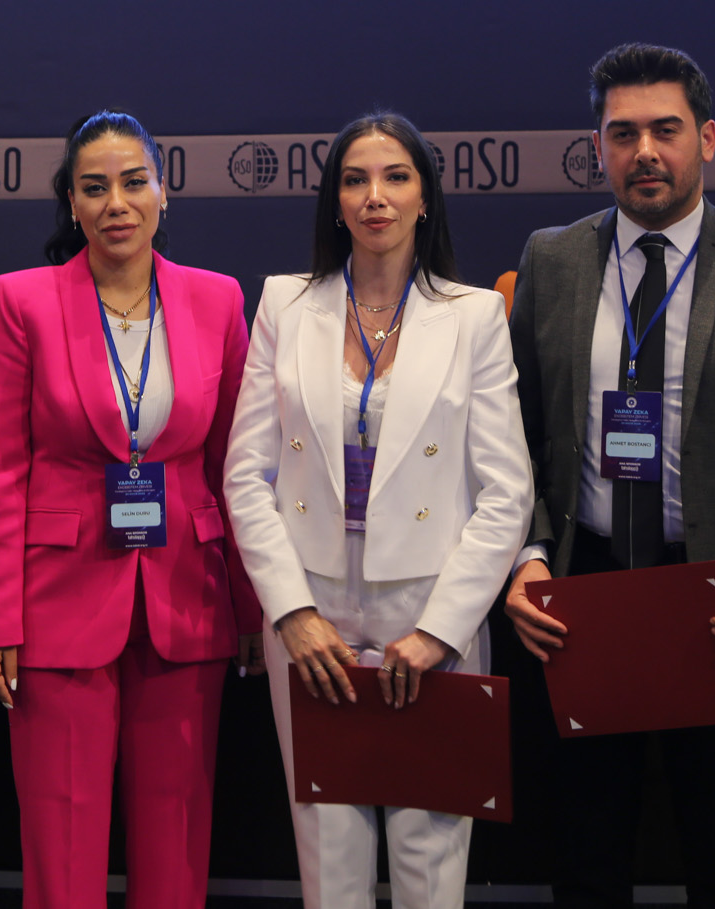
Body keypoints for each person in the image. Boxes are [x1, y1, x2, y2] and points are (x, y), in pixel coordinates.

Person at [500, 43, 715, 909]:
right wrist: (527, 554)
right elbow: (514, 438)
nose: (644, 150)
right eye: (623, 133)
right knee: (585, 855)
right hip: (582, 592)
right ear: (598, 147)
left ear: (707, 138)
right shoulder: (550, 259)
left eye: (666, 129)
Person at [223, 112, 533, 909]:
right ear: (334, 200)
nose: (375, 196)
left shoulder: (475, 315)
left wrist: (440, 630)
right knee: (329, 872)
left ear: (425, 197)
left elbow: (507, 492)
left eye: (396, 177)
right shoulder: (285, 304)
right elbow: (246, 475)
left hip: (430, 617)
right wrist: (290, 612)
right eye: (355, 179)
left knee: (432, 871)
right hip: (312, 618)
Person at [0, 110, 258, 909]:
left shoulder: (218, 299)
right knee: (61, 853)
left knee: (176, 847)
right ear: (71, 202)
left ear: (164, 190)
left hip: (188, 602)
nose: (116, 203)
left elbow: (236, 466)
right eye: (94, 187)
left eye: (134, 182)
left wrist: (250, 606)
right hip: (55, 606)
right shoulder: (21, 301)